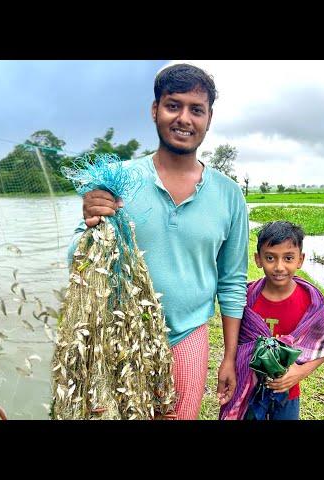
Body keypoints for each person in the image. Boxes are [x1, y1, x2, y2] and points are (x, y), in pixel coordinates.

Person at [68, 63, 248, 419]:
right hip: (117, 331)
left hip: (189, 332)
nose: (184, 118)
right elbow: (77, 260)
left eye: (196, 109)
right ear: (155, 111)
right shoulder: (119, 179)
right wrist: (91, 222)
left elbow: (232, 281)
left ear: (209, 118)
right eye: (173, 105)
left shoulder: (229, 196)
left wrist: (229, 358)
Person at [219, 221, 324, 420]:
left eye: (288, 258)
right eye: (270, 258)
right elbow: (236, 344)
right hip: (247, 389)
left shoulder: (310, 302)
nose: (279, 267)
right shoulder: (246, 299)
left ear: (300, 259)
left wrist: (299, 373)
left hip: (288, 392)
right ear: (258, 259)